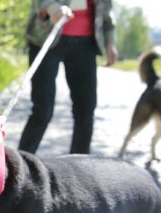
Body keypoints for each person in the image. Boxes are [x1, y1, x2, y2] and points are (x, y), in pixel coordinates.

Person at [19, 0, 118, 155]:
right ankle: (19, 167)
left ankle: (79, 168)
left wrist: (110, 42)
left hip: (86, 44)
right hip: (46, 37)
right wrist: (52, 7)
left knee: (86, 111)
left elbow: (107, 13)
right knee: (43, 110)